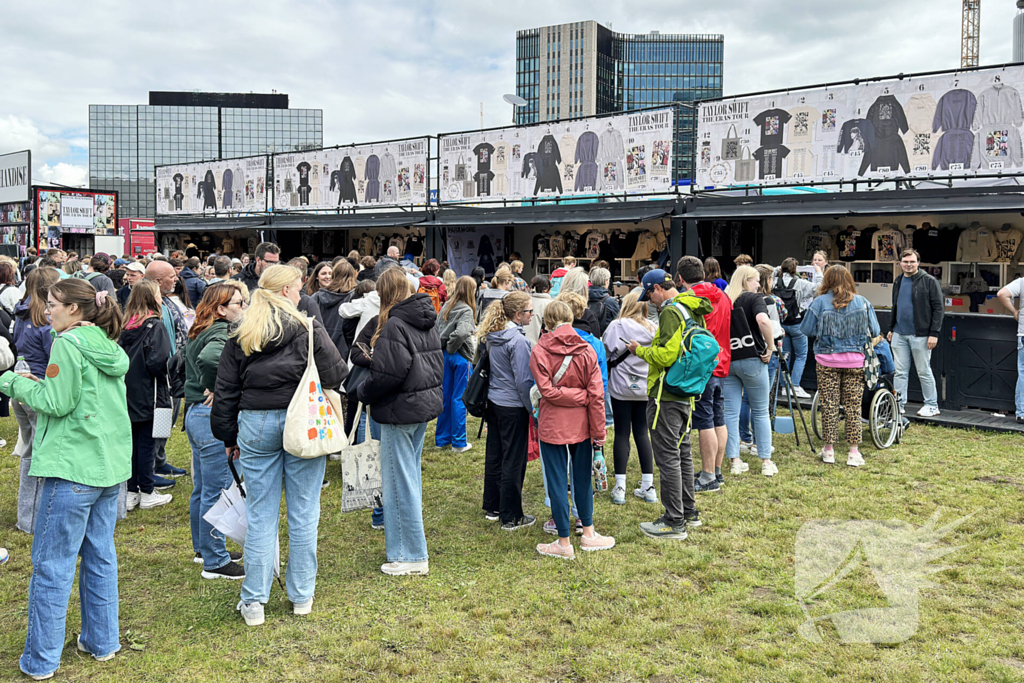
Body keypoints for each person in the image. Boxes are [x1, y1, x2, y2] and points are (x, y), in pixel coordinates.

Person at [0, 279, 129, 680]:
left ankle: (41, 660)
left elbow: (56, 402)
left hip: (71, 468)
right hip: (107, 469)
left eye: (53, 304)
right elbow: (72, 395)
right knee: (100, 556)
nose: (47, 310)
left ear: (74, 309)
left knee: (52, 566)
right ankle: (102, 641)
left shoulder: (68, 344)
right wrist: (42, 385)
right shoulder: (106, 344)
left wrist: (13, 382)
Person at [212, 265, 346, 626]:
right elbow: (336, 374)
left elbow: (226, 389)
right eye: (299, 286)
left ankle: (254, 600)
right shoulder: (307, 328)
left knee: (261, 514)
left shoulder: (243, 330)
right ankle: (301, 594)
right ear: (286, 290)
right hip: (301, 419)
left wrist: (227, 436)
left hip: (256, 423)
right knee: (304, 512)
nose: (302, 291)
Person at [356, 268, 443, 576]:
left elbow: (389, 374)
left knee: (399, 483)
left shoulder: (396, 323)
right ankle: (410, 549)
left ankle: (411, 554)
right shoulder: (424, 318)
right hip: (418, 407)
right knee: (408, 478)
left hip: (400, 409)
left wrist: (362, 391)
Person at [628, 269, 712, 539]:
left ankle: (673, 521)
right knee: (682, 452)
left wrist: (638, 350)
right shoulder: (692, 307)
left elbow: (665, 355)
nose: (651, 302)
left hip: (666, 393)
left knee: (667, 457)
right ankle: (689, 512)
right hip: (687, 392)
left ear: (656, 289)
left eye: (650, 295)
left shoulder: (669, 312)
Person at [531, 300, 614, 559]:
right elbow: (596, 395)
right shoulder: (587, 349)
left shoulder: (539, 350)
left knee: (556, 482)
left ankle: (564, 540)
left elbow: (546, 391)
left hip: (552, 424)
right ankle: (588, 532)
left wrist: (565, 394)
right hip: (582, 424)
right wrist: (596, 424)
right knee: (582, 480)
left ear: (546, 322)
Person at [185, 282, 249, 579]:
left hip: (196, 414)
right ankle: (215, 559)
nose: (243, 308)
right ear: (221, 309)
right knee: (218, 490)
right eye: (239, 303)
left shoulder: (204, 328)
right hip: (210, 415)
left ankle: (204, 548)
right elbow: (210, 360)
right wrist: (218, 386)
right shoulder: (222, 332)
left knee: (203, 489)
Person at [801, 267, 881, 467]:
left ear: (826, 281)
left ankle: (829, 450)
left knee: (829, 405)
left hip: (826, 360)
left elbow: (807, 329)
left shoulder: (818, 303)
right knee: (853, 406)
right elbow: (876, 330)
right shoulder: (863, 303)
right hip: (855, 361)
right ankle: (853, 453)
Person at [476, 292, 536, 530]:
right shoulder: (518, 341)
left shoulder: (493, 335)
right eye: (530, 311)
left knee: (495, 453)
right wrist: (533, 410)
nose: (533, 314)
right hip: (513, 405)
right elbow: (523, 381)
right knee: (513, 459)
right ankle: (511, 516)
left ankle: (493, 506)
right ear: (519, 314)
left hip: (495, 401)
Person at [11, 267, 60, 534]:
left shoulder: (21, 312)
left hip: (21, 385)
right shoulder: (46, 319)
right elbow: (55, 359)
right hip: (38, 387)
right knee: (38, 453)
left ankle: (28, 514)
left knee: (29, 449)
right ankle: (32, 518)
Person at [118, 280, 174, 511]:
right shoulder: (155, 326)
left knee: (131, 443)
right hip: (152, 393)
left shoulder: (125, 327)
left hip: (127, 392)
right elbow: (158, 362)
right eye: (158, 294)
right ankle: (148, 491)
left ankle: (132, 491)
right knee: (148, 444)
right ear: (152, 298)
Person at [679, 256, 733, 493]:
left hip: (702, 366)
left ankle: (708, 476)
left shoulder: (689, 299)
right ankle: (716, 471)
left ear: (681, 279)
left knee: (704, 421)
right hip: (721, 361)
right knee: (717, 417)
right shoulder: (722, 294)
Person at [602, 291, 657, 505]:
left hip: (621, 388)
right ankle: (648, 485)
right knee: (642, 432)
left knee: (622, 433)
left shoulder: (616, 326)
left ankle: (620, 487)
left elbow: (606, 353)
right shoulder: (653, 327)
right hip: (645, 388)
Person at [723, 265, 778, 477]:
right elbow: (763, 320)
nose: (758, 284)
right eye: (756, 280)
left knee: (730, 412)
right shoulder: (755, 299)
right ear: (747, 281)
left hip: (729, 359)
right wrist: (770, 346)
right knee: (761, 410)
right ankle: (765, 461)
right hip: (753, 358)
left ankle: (734, 460)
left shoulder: (725, 299)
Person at [145, 260, 188, 483]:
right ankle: (151, 466)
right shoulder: (146, 304)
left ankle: (159, 460)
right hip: (160, 374)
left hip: (173, 371)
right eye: (171, 276)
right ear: (157, 281)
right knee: (159, 417)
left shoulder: (167, 301)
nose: (176, 279)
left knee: (167, 417)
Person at [887, 249, 943, 417]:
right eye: (905, 262)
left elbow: (939, 309)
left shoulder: (929, 281)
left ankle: (932, 405)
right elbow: (895, 306)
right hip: (899, 333)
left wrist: (934, 333)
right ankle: (899, 404)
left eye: (912, 261)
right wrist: (891, 328)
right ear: (900, 264)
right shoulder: (898, 280)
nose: (909, 265)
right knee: (900, 372)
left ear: (918, 263)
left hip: (922, 334)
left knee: (923, 370)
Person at [436, 276, 477, 453]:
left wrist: (447, 347)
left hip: (445, 355)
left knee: (446, 397)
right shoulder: (466, 309)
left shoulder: (447, 305)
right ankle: (459, 442)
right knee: (459, 398)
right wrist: (453, 347)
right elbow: (461, 333)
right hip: (460, 355)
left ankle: (442, 439)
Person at [775, 257, 824, 399]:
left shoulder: (775, 282)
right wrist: (819, 273)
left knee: (785, 355)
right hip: (797, 324)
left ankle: (784, 387)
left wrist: (778, 269)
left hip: (781, 324)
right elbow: (818, 290)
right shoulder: (800, 283)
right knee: (801, 355)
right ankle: (795, 385)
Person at [997, 275, 1024, 424]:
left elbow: (1002, 294)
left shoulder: (1022, 282)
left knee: (1023, 373)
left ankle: (1022, 413)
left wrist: (1014, 312)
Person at [587, 267, 620, 337]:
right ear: (606, 281)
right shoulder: (611, 302)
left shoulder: (584, 298)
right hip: (605, 338)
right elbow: (619, 322)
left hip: (588, 337)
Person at [524, 276, 553, 345]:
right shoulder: (550, 304)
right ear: (546, 289)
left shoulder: (525, 301)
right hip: (541, 346)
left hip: (522, 342)